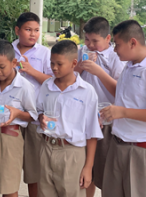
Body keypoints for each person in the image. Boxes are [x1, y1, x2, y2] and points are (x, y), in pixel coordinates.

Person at [100, 20, 146, 197]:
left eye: (117, 45)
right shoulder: (129, 66)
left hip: (143, 150)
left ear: (132, 42)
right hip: (118, 145)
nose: (115, 50)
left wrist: (122, 112)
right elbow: (122, 96)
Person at [37, 40, 102, 197]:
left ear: (74, 63)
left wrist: (88, 166)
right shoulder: (46, 86)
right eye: (52, 63)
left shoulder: (86, 91)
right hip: (47, 149)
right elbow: (39, 110)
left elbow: (92, 132)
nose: (54, 68)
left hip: (72, 154)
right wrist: (41, 118)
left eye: (59, 64)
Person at [0, 40, 38, 197]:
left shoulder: (24, 87)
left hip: (11, 138)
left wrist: (18, 113)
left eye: (2, 67)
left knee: (8, 187)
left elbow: (33, 116)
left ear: (14, 63)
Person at [75, 16, 124, 195]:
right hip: (82, 117)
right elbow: (72, 79)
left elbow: (119, 91)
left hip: (105, 121)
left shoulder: (115, 57)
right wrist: (80, 67)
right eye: (87, 39)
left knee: (103, 170)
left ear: (108, 39)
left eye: (95, 41)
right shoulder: (82, 52)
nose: (90, 44)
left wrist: (99, 71)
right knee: (84, 168)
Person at [12, 12, 52, 197]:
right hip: (11, 116)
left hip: (35, 117)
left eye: (36, 30)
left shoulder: (44, 52)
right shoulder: (8, 50)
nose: (33, 34)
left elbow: (53, 81)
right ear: (17, 30)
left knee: (34, 168)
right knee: (9, 164)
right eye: (28, 30)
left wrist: (32, 71)